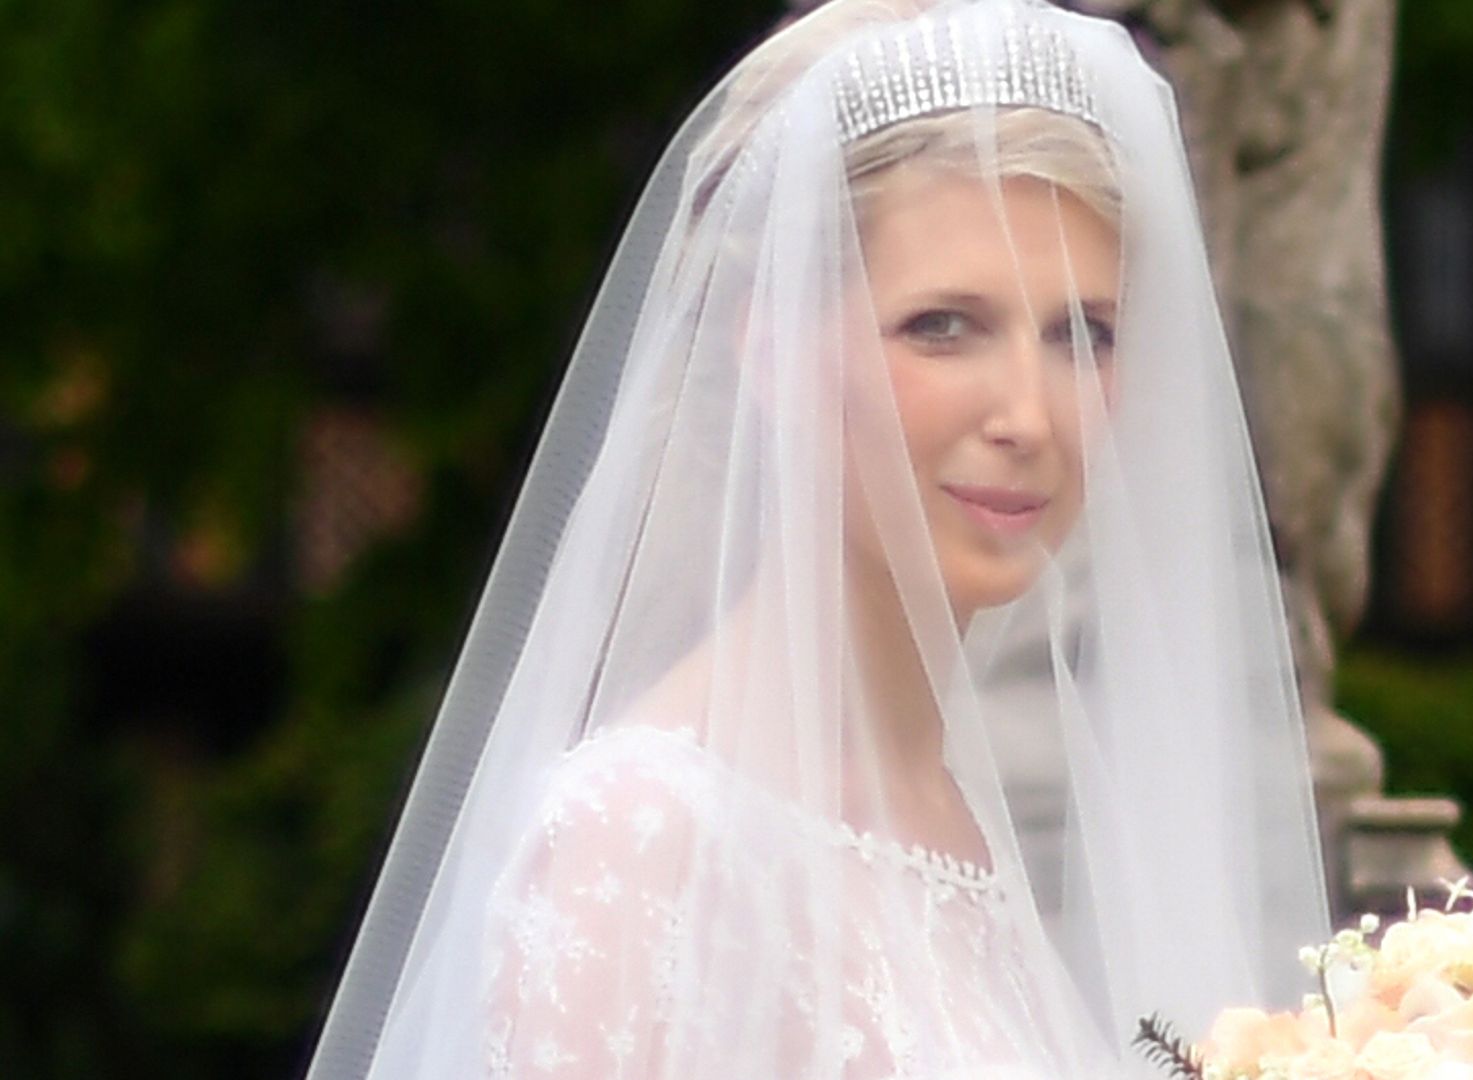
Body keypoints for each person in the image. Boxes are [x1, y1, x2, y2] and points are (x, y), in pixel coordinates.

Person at [304, 0, 1329, 1076]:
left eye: (1083, 334)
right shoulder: (643, 841)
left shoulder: (952, 818)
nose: (1029, 415)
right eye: (945, 326)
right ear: (773, 345)